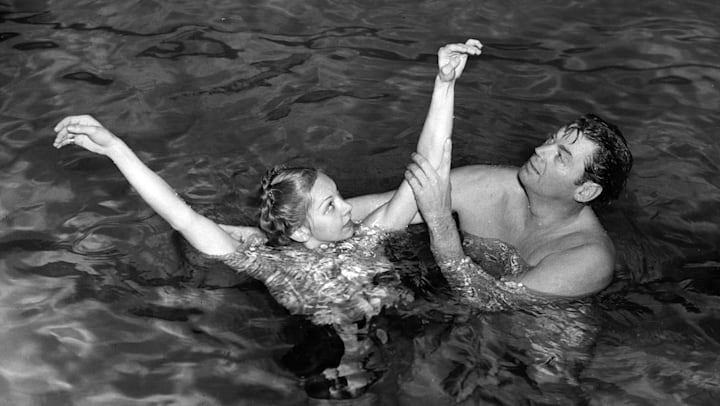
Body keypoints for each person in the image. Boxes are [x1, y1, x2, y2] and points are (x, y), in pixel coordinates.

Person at [52, 39, 483, 399]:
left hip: (394, 325)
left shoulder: (368, 239)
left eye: (338, 198)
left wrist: (443, 84)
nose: (350, 207)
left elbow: (427, 168)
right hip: (329, 355)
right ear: (298, 231)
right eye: (331, 206)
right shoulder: (276, 267)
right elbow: (184, 217)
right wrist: (115, 148)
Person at [352, 113, 633, 307]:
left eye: (560, 156)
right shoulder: (490, 185)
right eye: (551, 140)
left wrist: (440, 221)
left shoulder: (587, 259)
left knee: (549, 369)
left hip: (537, 329)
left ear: (585, 191)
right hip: (460, 294)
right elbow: (370, 209)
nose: (539, 149)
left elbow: (488, 301)